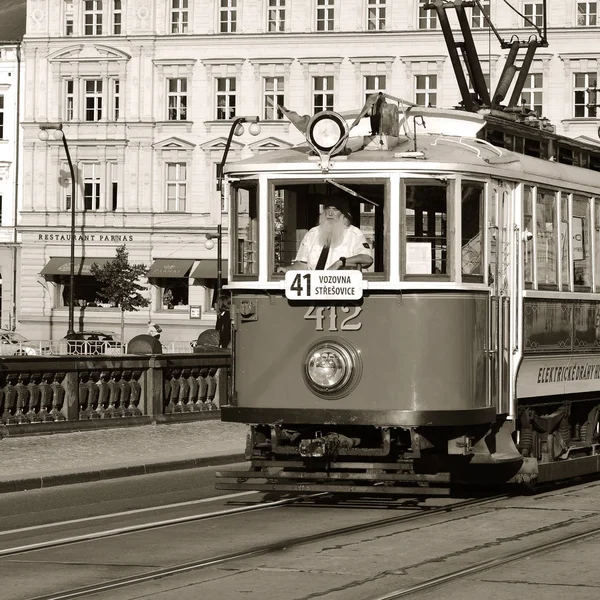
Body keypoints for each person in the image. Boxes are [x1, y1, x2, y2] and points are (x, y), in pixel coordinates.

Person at [279, 196, 373, 271]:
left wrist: (340, 263)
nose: (330, 213)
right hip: (315, 289)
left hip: (342, 289)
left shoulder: (354, 234)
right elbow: (302, 264)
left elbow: (367, 259)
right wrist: (287, 269)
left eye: (335, 209)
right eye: (328, 209)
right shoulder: (312, 234)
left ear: (344, 213)